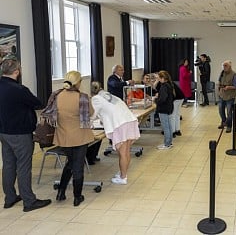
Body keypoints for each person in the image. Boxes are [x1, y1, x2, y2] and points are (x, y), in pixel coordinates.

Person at [0, 57, 52, 212]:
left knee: (8, 165)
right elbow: (38, 103)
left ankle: (9, 198)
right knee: (23, 167)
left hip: (3, 132)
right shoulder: (19, 90)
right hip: (20, 133)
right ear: (17, 71)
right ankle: (29, 201)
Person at [44, 71, 95, 207]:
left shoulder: (56, 95)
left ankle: (61, 192)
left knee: (70, 163)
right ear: (78, 82)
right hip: (80, 136)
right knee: (78, 167)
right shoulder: (82, 97)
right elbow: (90, 113)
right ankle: (77, 197)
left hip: (63, 137)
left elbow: (49, 113)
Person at [91, 81, 140, 185]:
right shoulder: (110, 95)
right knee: (126, 151)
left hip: (120, 124)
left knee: (122, 153)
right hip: (129, 121)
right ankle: (123, 173)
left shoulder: (96, 99)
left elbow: (93, 115)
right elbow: (112, 110)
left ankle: (123, 178)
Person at [217, 60, 236, 133]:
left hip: (230, 96)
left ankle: (229, 126)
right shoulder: (222, 73)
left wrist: (228, 87)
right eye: (223, 66)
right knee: (220, 110)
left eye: (226, 66)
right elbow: (219, 81)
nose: (224, 67)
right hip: (222, 95)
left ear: (230, 66)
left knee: (229, 112)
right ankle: (224, 122)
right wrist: (219, 88)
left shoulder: (234, 74)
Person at [154, 70, 174, 149]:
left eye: (158, 77)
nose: (158, 79)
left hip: (163, 108)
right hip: (168, 108)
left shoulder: (164, 86)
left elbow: (162, 99)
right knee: (168, 126)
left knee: (166, 127)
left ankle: (167, 144)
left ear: (162, 78)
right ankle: (169, 142)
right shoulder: (168, 85)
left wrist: (156, 100)